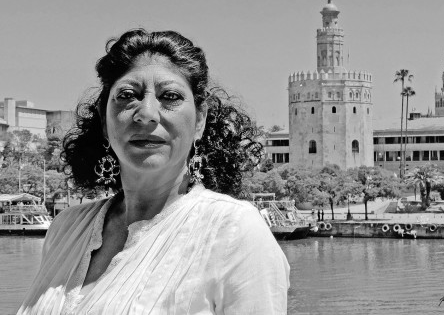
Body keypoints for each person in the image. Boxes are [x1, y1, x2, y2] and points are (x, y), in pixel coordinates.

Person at [18, 29, 290, 314]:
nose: (146, 113)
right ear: (103, 120)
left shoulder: (234, 231)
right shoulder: (65, 229)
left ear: (200, 120)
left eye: (170, 96)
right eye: (126, 95)